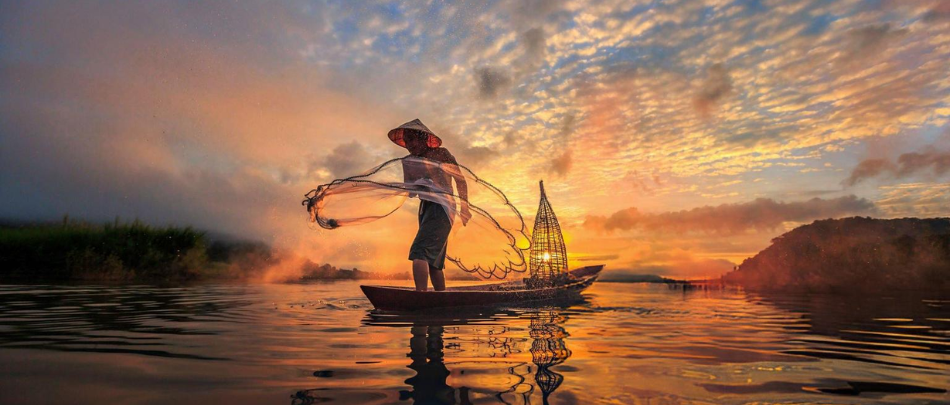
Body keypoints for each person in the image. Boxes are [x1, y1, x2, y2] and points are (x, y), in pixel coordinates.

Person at [387, 119, 472, 292]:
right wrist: (417, 184)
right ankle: (440, 298)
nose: (409, 145)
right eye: (407, 141)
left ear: (423, 137)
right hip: (425, 209)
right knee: (434, 262)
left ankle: (421, 297)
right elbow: (411, 192)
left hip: (443, 207)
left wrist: (465, 208)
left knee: (420, 252)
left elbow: (460, 180)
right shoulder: (409, 161)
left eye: (412, 139)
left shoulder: (441, 154)